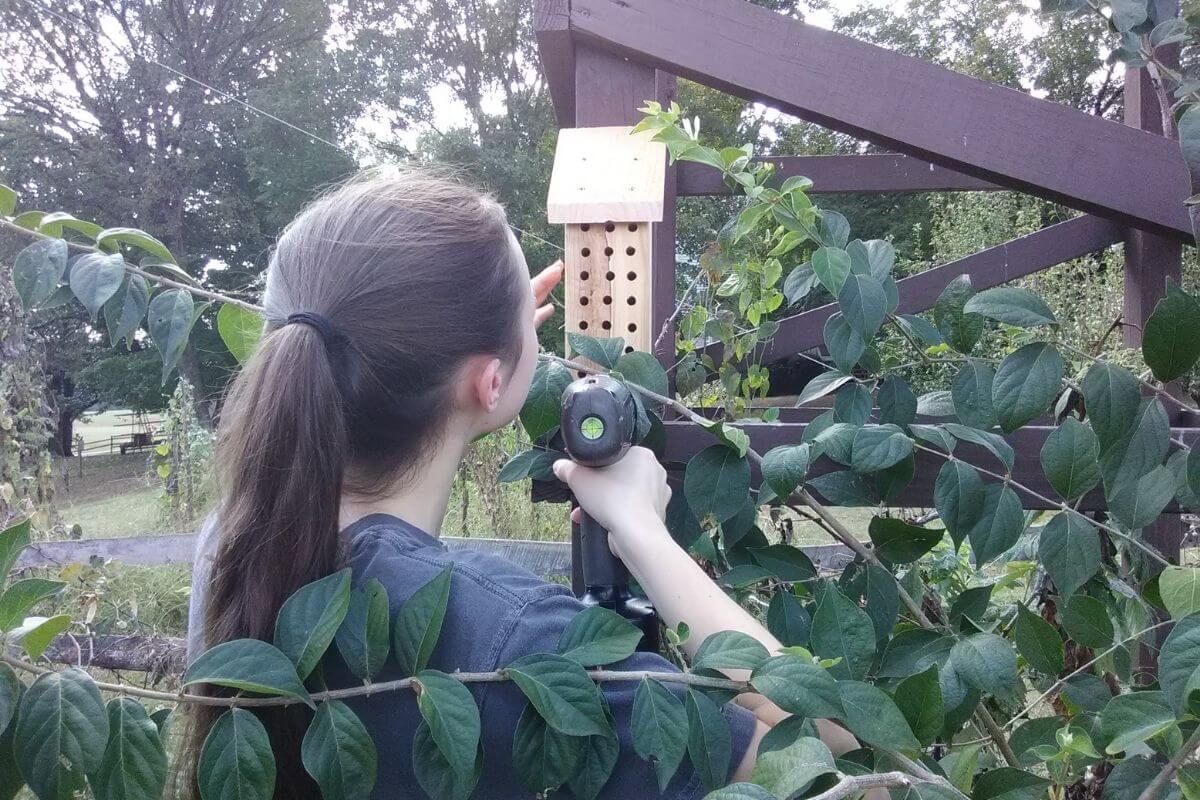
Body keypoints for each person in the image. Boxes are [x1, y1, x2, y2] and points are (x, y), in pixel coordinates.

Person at [182, 168, 865, 799]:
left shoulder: (239, 539)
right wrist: (644, 532)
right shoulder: (520, 647)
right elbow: (836, 763)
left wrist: (490, 350)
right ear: (491, 382)